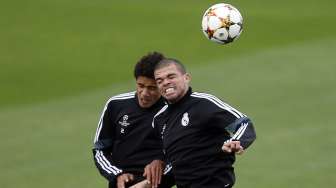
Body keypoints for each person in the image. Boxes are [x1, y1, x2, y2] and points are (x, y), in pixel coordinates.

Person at [152, 58, 256, 188]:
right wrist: (148, 183)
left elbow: (244, 124)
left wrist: (235, 141)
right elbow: (176, 163)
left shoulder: (204, 103)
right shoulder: (159, 119)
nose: (166, 82)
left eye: (171, 77)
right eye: (159, 81)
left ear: (186, 78)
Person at [92, 52, 175, 188]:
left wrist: (161, 162)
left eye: (152, 88)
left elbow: (182, 154)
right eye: (141, 85)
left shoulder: (174, 111)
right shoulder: (116, 104)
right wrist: (117, 174)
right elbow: (100, 150)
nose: (144, 93)